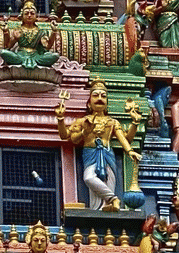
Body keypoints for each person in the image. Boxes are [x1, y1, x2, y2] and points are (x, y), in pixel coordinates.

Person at [57, 81, 139, 211]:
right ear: (89, 102)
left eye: (103, 96)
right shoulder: (84, 121)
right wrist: (61, 119)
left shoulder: (112, 122)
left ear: (107, 103)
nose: (100, 98)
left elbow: (126, 138)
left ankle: (109, 206)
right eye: (96, 95)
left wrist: (134, 124)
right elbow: (66, 135)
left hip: (107, 154)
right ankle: (113, 199)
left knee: (108, 180)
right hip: (90, 154)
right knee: (89, 177)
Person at [0, 0, 60, 68]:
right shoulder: (18, 30)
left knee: (55, 56)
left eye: (32, 13)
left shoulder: (40, 31)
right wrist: (6, 32)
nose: (29, 15)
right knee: (3, 53)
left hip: (36, 57)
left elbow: (47, 46)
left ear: (36, 16)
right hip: (20, 56)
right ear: (22, 16)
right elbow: (8, 46)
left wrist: (54, 31)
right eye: (26, 13)